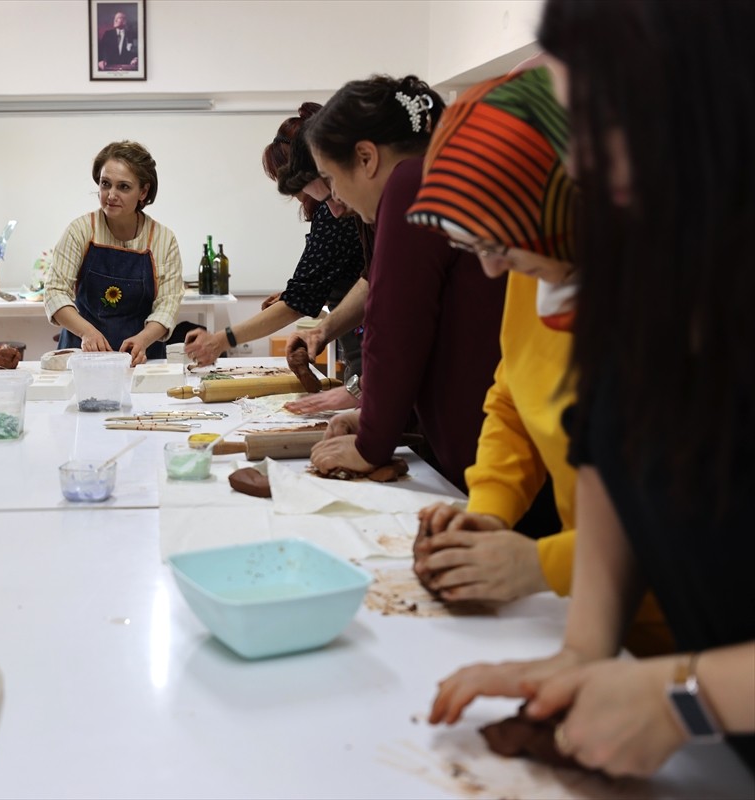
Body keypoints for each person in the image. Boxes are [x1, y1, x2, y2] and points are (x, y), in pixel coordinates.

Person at [430, 0, 754, 777]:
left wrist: (687, 698)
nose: (574, 162)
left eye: (598, 123)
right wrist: (581, 651)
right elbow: (610, 458)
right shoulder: (634, 269)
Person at [401, 66, 670, 655]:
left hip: (699, 637)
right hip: (602, 614)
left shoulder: (678, 302)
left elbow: (692, 521)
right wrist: (490, 508)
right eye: (475, 245)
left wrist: (540, 564)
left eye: (499, 244)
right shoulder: (541, 263)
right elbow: (513, 397)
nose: (491, 268)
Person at [300, 76, 507, 493]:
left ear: (366, 157)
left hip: (490, 453)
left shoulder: (411, 181)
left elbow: (395, 325)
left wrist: (371, 444)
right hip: (491, 437)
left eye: (332, 179)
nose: (337, 200)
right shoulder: (443, 171)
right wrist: (377, 418)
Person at [184, 104, 367, 372]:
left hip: (371, 349)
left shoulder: (338, 214)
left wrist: (222, 340)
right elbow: (355, 281)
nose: (294, 191)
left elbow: (299, 302)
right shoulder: (337, 211)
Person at [45, 140, 183, 366]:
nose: (111, 195)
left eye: (123, 187)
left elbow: (168, 305)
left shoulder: (163, 240)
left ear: (143, 191)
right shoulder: (80, 230)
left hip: (140, 359)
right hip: (82, 358)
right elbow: (54, 292)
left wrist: (143, 339)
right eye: (105, 184)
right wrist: (87, 332)